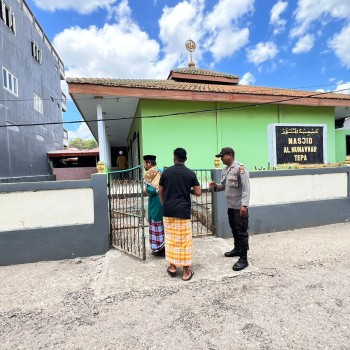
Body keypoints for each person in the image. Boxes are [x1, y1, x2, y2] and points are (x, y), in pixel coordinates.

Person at [159, 148, 201, 281]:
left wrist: (164, 203)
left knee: (171, 239)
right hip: (183, 211)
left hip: (168, 210)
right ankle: (186, 272)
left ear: (174, 158)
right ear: (185, 159)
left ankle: (172, 266)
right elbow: (198, 192)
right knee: (184, 241)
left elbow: (161, 190)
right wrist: (189, 190)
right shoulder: (190, 173)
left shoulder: (166, 172)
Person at [209, 147, 250, 271]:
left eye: (223, 156)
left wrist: (244, 205)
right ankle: (237, 249)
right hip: (231, 206)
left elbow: (246, 188)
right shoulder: (225, 170)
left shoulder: (240, 168)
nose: (221, 158)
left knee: (242, 232)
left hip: (240, 207)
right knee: (234, 229)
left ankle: (244, 258)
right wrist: (216, 186)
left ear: (230, 155)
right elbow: (224, 186)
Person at [143, 155, 165, 257]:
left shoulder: (151, 173)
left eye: (144, 163)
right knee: (164, 225)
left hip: (156, 202)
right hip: (164, 200)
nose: (144, 165)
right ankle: (165, 247)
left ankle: (158, 249)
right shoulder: (162, 170)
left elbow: (151, 190)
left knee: (156, 225)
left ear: (149, 163)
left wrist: (145, 189)